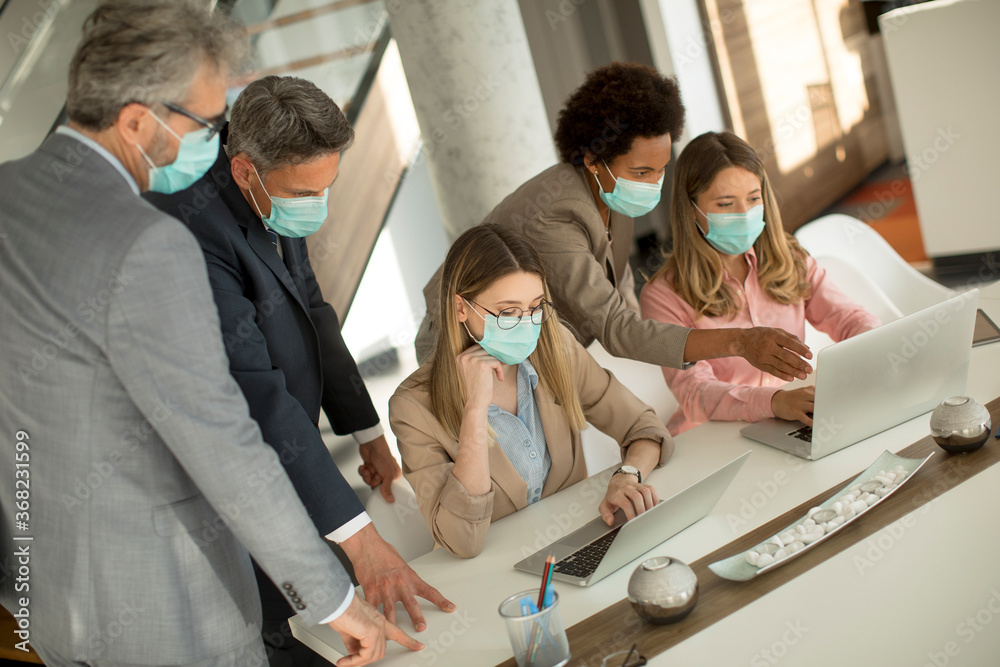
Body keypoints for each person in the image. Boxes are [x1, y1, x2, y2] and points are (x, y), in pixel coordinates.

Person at [0, 2, 416, 664]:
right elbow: (225, 440)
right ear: (137, 121)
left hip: (48, 597)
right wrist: (335, 594)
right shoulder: (149, 244)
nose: (217, 139)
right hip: (165, 611)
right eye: (205, 121)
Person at [146, 75, 454, 665]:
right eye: (304, 193)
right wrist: (363, 543)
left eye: (327, 187)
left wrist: (368, 435)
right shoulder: (191, 230)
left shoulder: (277, 191)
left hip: (285, 443)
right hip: (224, 476)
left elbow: (312, 310)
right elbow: (260, 397)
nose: (318, 206)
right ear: (244, 172)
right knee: (279, 625)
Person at [414, 62, 813, 384]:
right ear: (592, 159)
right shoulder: (554, 215)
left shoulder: (609, 189)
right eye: (642, 173)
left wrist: (663, 343)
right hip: (464, 345)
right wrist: (740, 342)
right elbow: (614, 325)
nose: (654, 184)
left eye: (660, 170)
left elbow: (618, 285)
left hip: (532, 343)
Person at [390, 224, 674, 558]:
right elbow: (461, 541)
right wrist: (474, 413)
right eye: (508, 312)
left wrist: (627, 476)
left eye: (536, 307)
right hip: (493, 574)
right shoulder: (413, 407)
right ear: (461, 308)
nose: (527, 324)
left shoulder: (556, 349)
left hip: (579, 548)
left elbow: (644, 428)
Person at [641, 131, 881, 435]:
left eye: (753, 199)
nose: (744, 214)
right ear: (691, 210)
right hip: (712, 437)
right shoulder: (664, 295)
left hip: (788, 420)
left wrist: (877, 343)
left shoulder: (789, 257)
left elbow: (848, 317)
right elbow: (695, 393)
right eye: (726, 204)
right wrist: (775, 401)